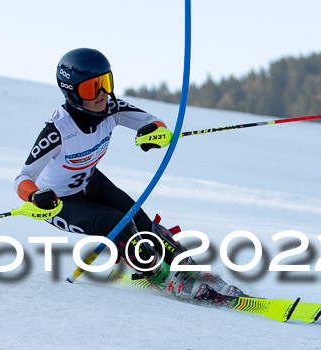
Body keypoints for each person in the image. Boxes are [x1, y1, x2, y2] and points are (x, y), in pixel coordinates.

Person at [14, 48, 242, 300]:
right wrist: (35, 196)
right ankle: (157, 276)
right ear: (72, 91)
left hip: (90, 182)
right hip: (60, 202)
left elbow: (152, 121)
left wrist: (152, 133)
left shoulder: (111, 108)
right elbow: (22, 178)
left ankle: (186, 268)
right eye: (92, 88)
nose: (102, 94)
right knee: (116, 222)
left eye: (106, 82)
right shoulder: (58, 130)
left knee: (141, 221)